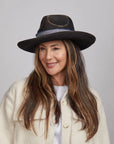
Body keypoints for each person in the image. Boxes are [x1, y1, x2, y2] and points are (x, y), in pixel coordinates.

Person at [0, 14, 110, 144]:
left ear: (71, 51)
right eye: (42, 49)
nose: (47, 57)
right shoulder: (18, 92)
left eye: (55, 48)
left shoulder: (91, 99)